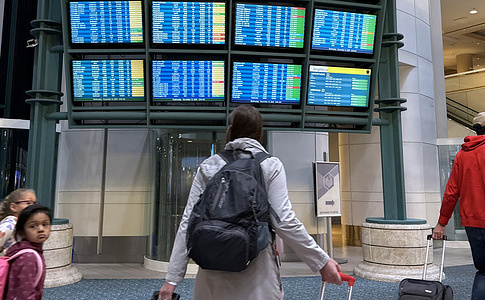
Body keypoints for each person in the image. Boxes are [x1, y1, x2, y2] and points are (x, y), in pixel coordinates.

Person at [158, 105, 342, 300]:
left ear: (230, 130)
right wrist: (321, 261)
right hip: (257, 276)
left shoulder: (210, 165)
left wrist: (172, 280)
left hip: (211, 275)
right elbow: (284, 221)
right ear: (259, 133)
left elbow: (188, 221)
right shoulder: (270, 165)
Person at [432, 112, 485, 300]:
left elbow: (451, 191)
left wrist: (441, 222)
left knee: (483, 271)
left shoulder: (463, 153)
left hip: (473, 222)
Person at [4, 204, 51, 300]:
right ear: (22, 232)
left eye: (45, 224)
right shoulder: (28, 257)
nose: (41, 229)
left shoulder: (24, 251)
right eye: (33, 226)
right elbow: (25, 294)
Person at [0, 189, 37, 255]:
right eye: (28, 203)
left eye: (35, 203)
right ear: (13, 207)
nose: (33, 206)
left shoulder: (23, 225)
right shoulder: (9, 225)